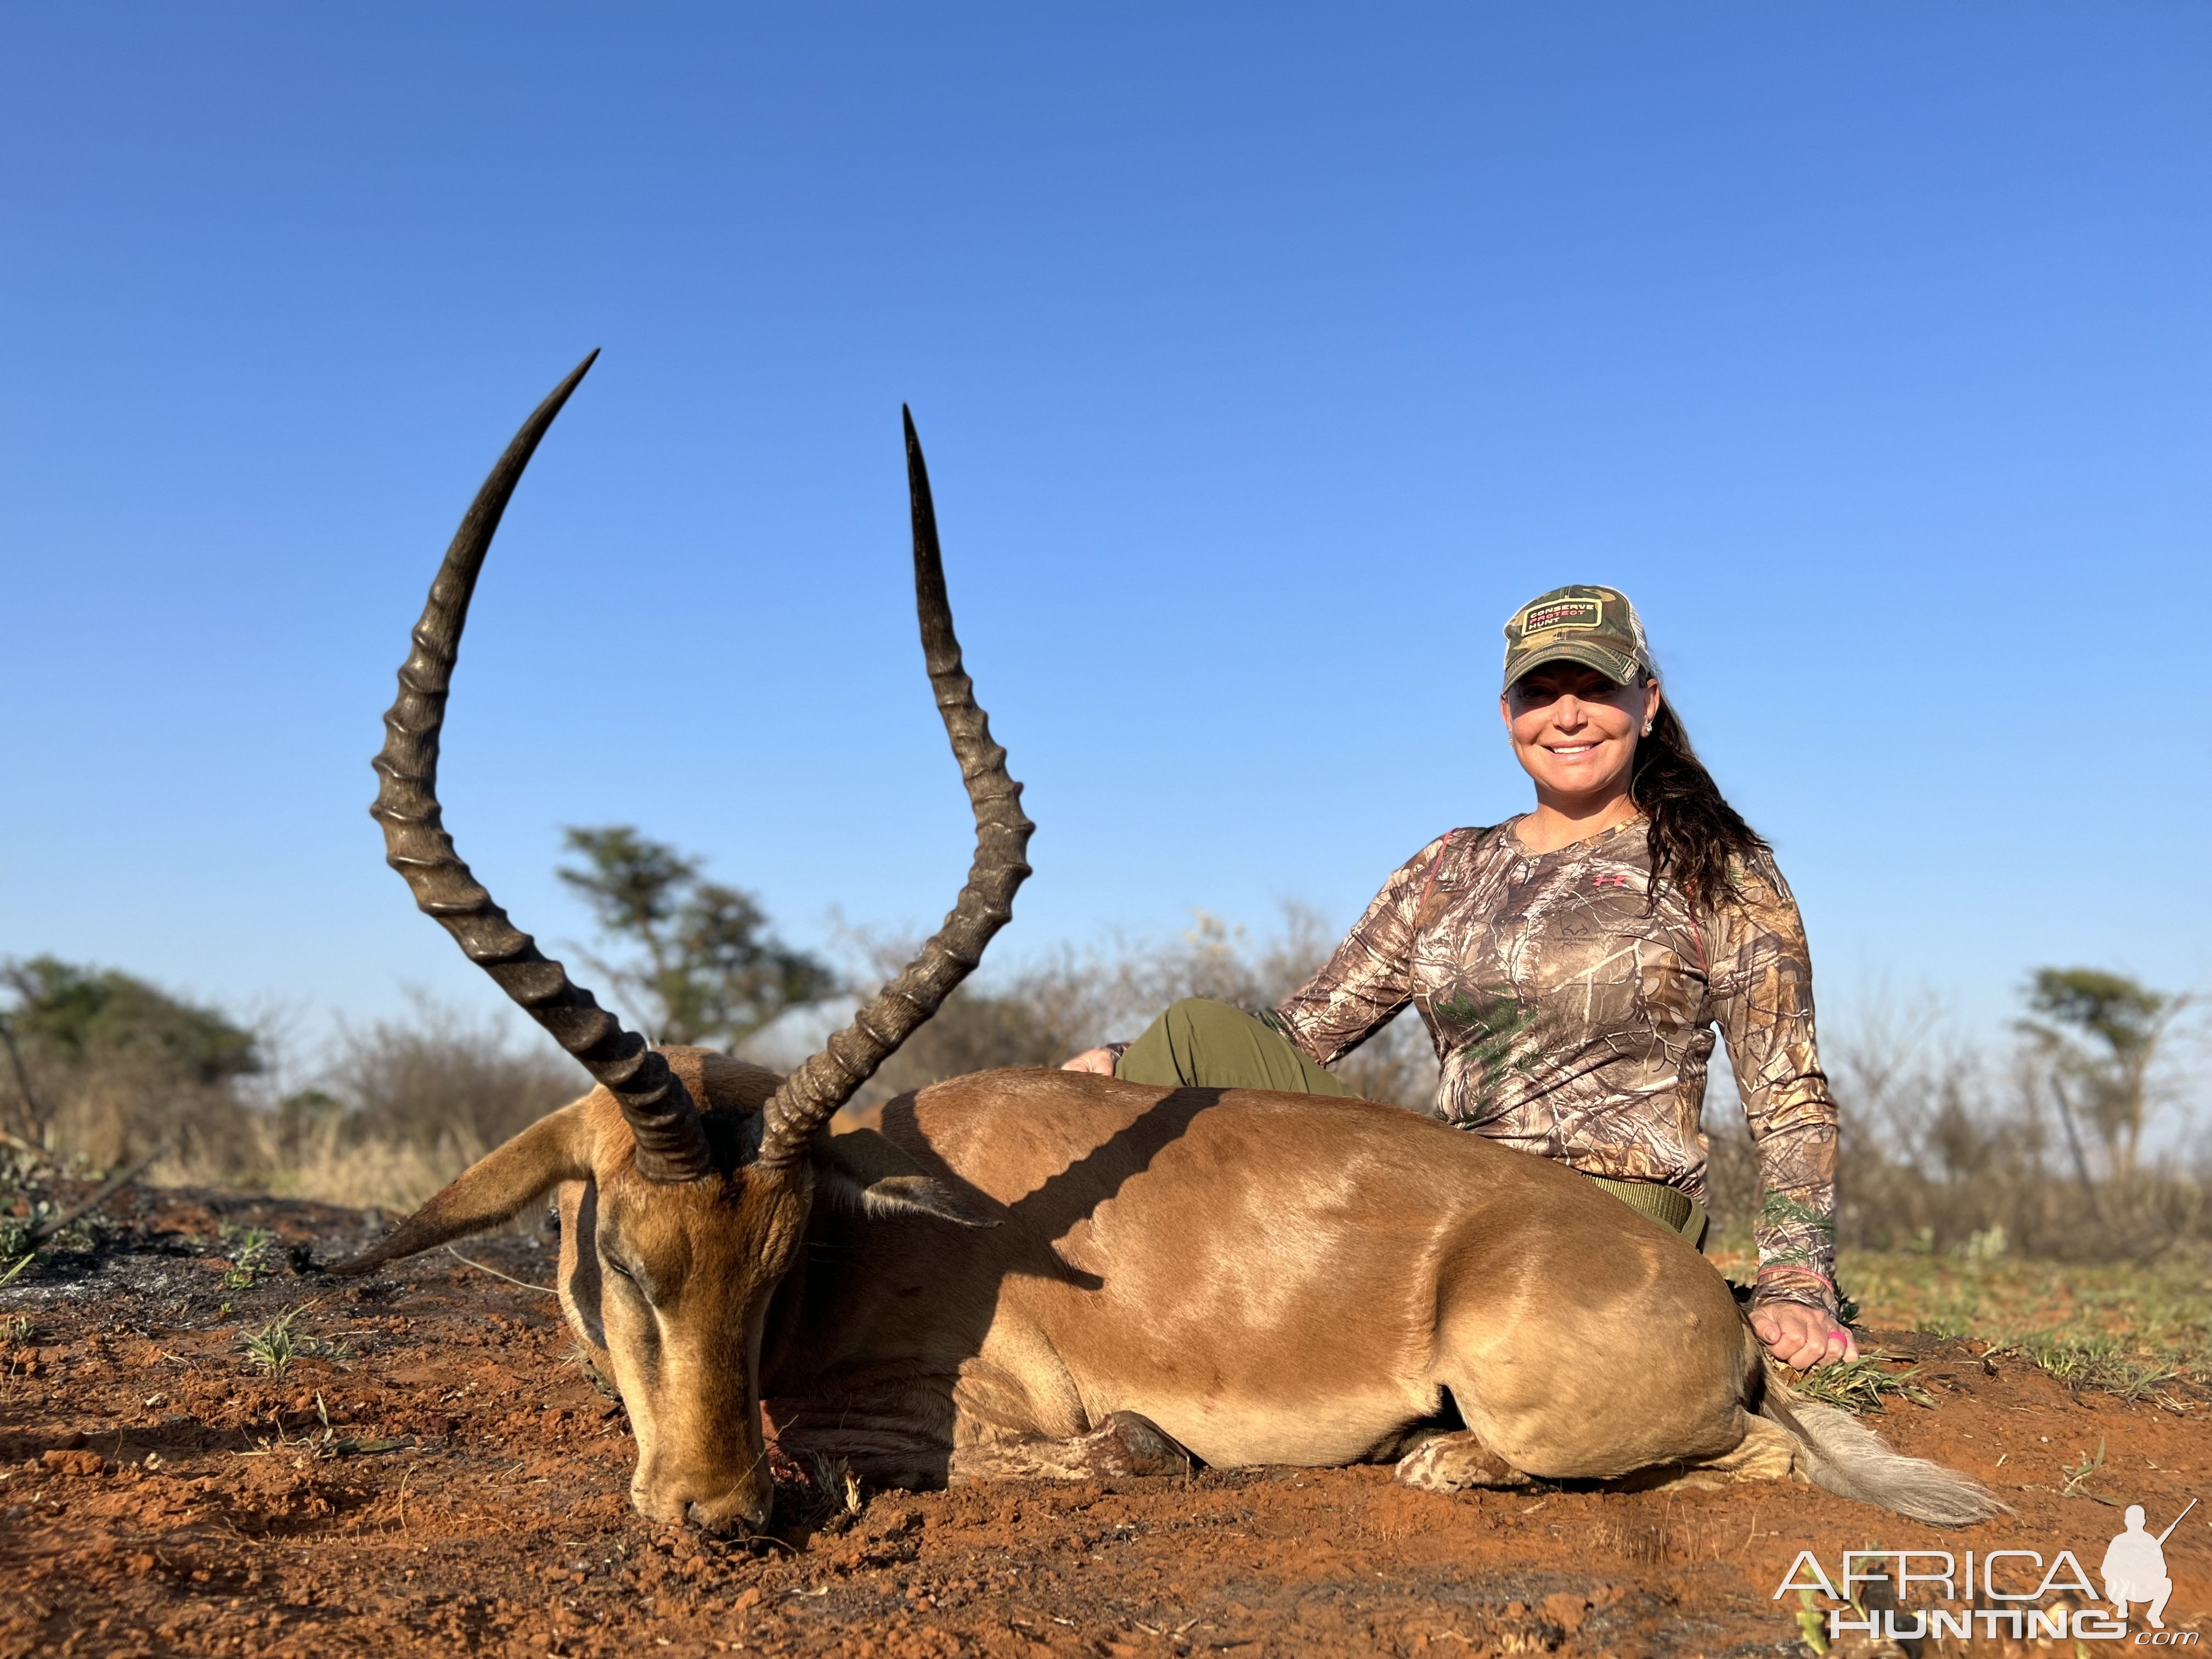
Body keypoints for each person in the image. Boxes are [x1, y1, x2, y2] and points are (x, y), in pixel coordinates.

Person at [1064, 584, 1854, 1370]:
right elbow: (1303, 1031)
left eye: (1595, 689)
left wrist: (1796, 1281)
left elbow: (1787, 1092)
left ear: (1646, 702)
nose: (1567, 716)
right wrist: (1123, 1063)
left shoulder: (1720, 869)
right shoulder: (1449, 866)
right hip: (1452, 1192)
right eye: (1540, 694)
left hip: (1607, 1212)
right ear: (1508, 717)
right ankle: (1076, 1322)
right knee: (1194, 1032)